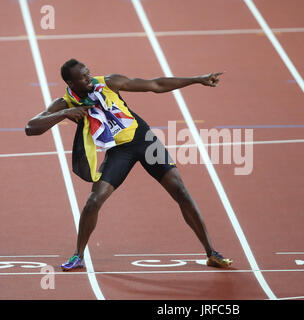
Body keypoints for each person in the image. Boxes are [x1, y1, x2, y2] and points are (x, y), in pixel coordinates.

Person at [25, 58, 232, 271]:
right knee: (94, 201)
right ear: (70, 82)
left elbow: (155, 85)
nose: (90, 79)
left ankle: (211, 253)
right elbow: (31, 127)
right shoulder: (65, 103)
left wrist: (197, 79)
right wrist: (63, 113)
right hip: (118, 151)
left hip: (143, 139)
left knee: (180, 191)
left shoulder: (108, 83)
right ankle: (78, 256)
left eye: (89, 73)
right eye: (83, 77)